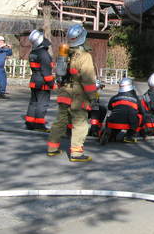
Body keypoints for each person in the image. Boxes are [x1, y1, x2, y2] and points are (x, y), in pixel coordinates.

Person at [47, 24, 98, 162]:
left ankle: (52, 148)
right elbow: (87, 79)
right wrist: (93, 98)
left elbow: (60, 74)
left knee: (60, 120)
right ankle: (76, 153)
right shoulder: (85, 56)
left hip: (64, 92)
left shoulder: (65, 53)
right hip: (78, 95)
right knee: (80, 123)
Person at [24, 29, 54, 131]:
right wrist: (52, 84)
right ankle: (39, 125)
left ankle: (30, 123)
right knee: (42, 103)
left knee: (33, 103)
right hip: (42, 83)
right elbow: (46, 72)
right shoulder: (43, 54)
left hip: (34, 81)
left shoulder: (33, 53)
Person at [104, 77, 144, 143]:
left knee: (113, 113)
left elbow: (109, 108)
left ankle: (111, 135)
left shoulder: (114, 98)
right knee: (140, 116)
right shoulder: (135, 99)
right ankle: (129, 135)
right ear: (131, 86)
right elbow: (141, 111)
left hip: (112, 123)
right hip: (128, 123)